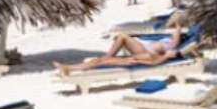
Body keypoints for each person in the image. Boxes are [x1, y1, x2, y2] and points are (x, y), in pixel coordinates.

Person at [55, 27, 186, 74]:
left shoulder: (159, 58)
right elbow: (152, 61)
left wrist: (166, 56)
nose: (172, 52)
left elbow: (152, 63)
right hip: (128, 60)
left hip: (128, 61)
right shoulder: (158, 57)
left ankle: (69, 68)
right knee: (98, 61)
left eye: (173, 53)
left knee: (99, 61)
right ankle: (69, 68)